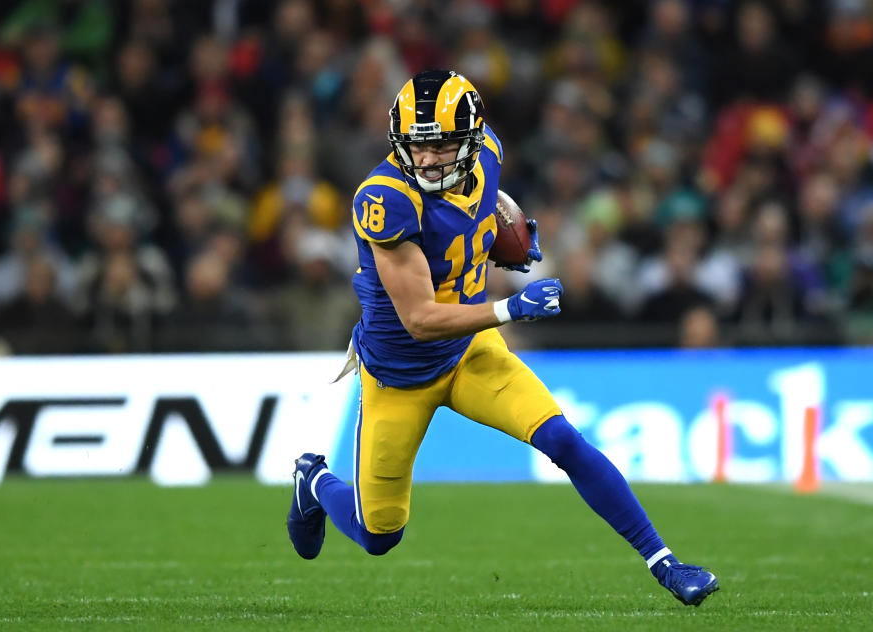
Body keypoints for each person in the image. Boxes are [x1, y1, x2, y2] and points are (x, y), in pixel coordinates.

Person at [287, 70, 718, 607]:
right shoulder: (385, 199)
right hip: (400, 374)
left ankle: (667, 564)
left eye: (441, 144)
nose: (427, 159)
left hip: (468, 353)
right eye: (417, 146)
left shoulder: (487, 152)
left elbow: (480, 209)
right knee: (379, 535)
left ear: (469, 140)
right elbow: (420, 317)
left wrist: (502, 240)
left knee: (562, 439)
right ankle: (315, 480)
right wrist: (512, 306)